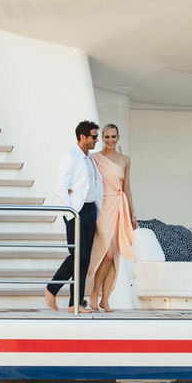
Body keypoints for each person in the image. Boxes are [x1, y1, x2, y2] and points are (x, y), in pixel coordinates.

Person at [45, 120, 102, 313]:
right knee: (77, 255)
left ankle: (74, 303)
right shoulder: (70, 157)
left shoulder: (90, 158)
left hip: (90, 210)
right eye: (93, 137)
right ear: (83, 137)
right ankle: (51, 289)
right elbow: (61, 189)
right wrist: (72, 212)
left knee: (85, 260)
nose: (96, 140)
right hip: (76, 212)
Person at [87, 124, 139, 312]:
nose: (110, 140)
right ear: (101, 138)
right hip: (102, 207)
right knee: (106, 254)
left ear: (118, 137)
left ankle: (105, 299)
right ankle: (94, 295)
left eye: (113, 136)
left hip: (119, 207)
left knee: (114, 257)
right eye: (107, 136)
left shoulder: (126, 160)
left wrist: (132, 213)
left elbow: (127, 188)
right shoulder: (94, 158)